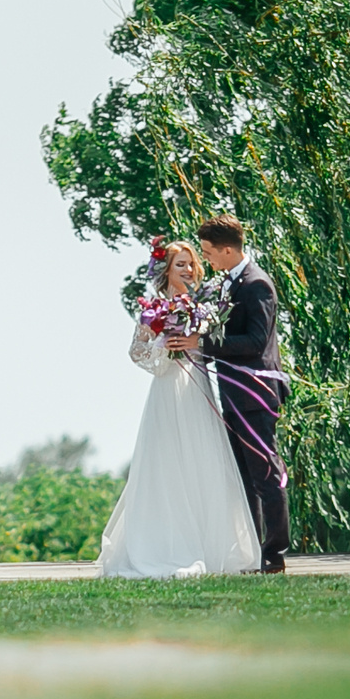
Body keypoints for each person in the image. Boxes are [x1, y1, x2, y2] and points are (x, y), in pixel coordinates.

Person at [96, 240, 264, 579]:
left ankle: (212, 545)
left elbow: (215, 345)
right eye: (180, 265)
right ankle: (166, 546)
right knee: (168, 463)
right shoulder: (155, 307)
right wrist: (164, 351)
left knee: (205, 462)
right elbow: (136, 350)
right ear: (166, 270)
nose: (188, 269)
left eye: (190, 263)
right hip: (167, 390)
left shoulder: (206, 303)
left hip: (198, 390)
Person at [170, 215, 289, 573]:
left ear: (226, 249)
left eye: (208, 253)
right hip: (235, 397)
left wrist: (200, 342)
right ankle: (254, 552)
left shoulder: (256, 285)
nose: (206, 260)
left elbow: (255, 341)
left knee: (265, 476)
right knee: (244, 479)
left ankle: (274, 554)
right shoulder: (229, 285)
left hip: (254, 395)